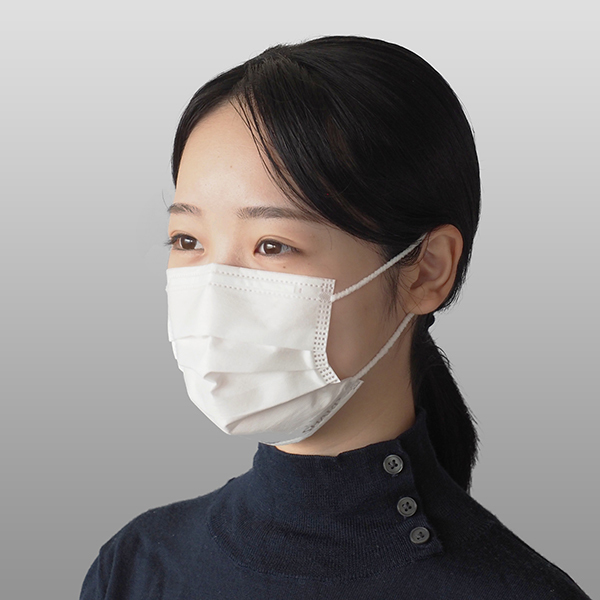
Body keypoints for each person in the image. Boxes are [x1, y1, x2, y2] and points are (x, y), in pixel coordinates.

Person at [79, 35, 591, 599]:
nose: (213, 292)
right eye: (187, 239)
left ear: (426, 270)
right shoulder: (136, 567)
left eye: (272, 245)